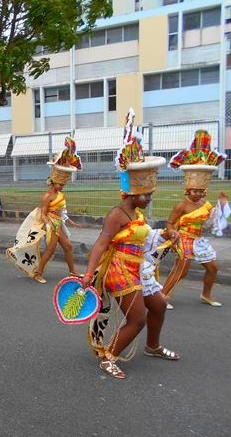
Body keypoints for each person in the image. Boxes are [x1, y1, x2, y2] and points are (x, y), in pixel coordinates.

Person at [82, 110, 178, 379]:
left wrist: (167, 236)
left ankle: (152, 346)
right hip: (120, 271)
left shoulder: (136, 214)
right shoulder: (117, 215)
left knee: (157, 306)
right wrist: (89, 273)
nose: (148, 198)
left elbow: (146, 240)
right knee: (137, 319)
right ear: (132, 193)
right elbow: (101, 244)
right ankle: (108, 356)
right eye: (145, 195)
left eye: (149, 194)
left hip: (139, 268)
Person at [161, 131, 226, 307]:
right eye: (194, 191)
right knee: (182, 269)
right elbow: (169, 223)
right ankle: (162, 296)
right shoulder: (182, 205)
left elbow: (214, 219)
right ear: (188, 190)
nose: (197, 194)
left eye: (200, 191)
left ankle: (206, 295)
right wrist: (172, 233)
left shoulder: (205, 203)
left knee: (212, 268)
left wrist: (221, 206)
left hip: (199, 239)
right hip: (184, 238)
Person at [7, 137, 82, 282]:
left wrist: (71, 222)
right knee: (51, 250)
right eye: (60, 183)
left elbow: (61, 212)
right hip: (51, 225)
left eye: (63, 183)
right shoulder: (47, 196)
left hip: (58, 224)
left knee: (68, 246)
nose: (61, 186)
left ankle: (72, 271)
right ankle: (38, 273)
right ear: (53, 180)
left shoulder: (60, 194)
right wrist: (50, 223)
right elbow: (43, 213)